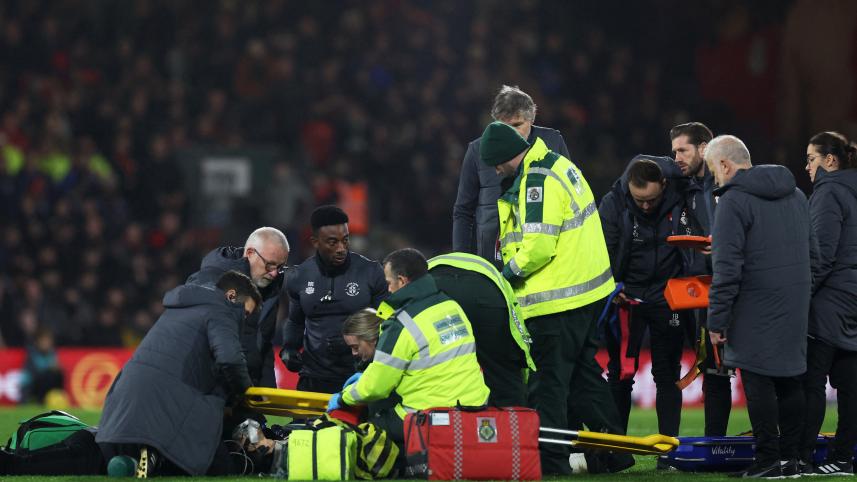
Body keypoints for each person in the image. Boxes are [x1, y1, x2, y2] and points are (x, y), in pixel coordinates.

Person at [479, 121, 632, 475]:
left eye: (495, 163)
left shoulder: (538, 181)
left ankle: (550, 461)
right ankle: (616, 453)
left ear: (504, 156)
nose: (495, 170)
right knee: (583, 378)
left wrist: (503, 276)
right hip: (584, 293)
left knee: (548, 383)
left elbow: (538, 248)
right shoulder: (558, 165)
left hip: (555, 299)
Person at [705, 135, 811, 479]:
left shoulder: (733, 202)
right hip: (796, 301)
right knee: (791, 379)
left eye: (713, 171)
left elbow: (727, 269)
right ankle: (792, 458)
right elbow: (815, 254)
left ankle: (767, 459)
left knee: (757, 379)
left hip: (753, 303)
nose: (714, 180)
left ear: (724, 164)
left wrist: (717, 320)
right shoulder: (796, 194)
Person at [96, 271, 262, 477]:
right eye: (244, 312)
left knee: (133, 464)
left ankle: (145, 458)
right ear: (230, 296)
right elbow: (230, 359)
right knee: (221, 469)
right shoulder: (221, 309)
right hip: (169, 401)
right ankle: (155, 454)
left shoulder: (179, 309)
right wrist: (244, 394)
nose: (243, 319)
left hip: (123, 402)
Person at [328, 248, 490, 447]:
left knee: (370, 424)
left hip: (431, 417)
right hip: (475, 409)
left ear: (402, 281)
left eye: (389, 283)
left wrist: (343, 399)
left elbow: (376, 388)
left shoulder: (401, 324)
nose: (387, 290)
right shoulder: (451, 306)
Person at [598, 158, 696, 440]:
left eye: (651, 200)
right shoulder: (613, 203)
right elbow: (602, 250)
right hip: (626, 299)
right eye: (639, 200)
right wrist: (612, 288)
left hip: (669, 299)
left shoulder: (681, 198)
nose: (645, 206)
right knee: (620, 373)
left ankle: (669, 448)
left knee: (668, 374)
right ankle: (618, 448)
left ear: (663, 186)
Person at [453, 85, 570, 268]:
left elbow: (568, 196)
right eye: (504, 126)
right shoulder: (477, 151)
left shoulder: (553, 142)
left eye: (517, 125)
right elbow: (463, 211)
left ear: (531, 120)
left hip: (544, 255)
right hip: (492, 256)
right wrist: (461, 264)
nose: (511, 133)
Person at [799, 131, 857, 476]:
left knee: (811, 381)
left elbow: (820, 254)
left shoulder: (829, 191)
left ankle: (802, 456)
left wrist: (800, 297)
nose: (806, 167)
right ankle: (842, 457)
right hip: (854, 299)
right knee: (851, 384)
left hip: (829, 299)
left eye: (810, 158)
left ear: (829, 160)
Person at [670, 121, 733, 437]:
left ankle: (779, 449)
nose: (676, 158)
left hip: (730, 288)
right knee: (714, 369)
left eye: (683, 150)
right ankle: (715, 443)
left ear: (704, 148)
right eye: (674, 151)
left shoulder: (723, 185)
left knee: (745, 369)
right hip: (702, 292)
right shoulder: (688, 188)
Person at [281, 205, 388, 393]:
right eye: (332, 242)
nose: (341, 248)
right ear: (315, 241)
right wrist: (289, 348)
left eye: (345, 240)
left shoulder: (371, 272)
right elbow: (295, 321)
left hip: (359, 377)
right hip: (313, 378)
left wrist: (354, 340)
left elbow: (387, 323)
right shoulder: (299, 276)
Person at [185, 227, 289, 387]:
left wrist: (268, 393)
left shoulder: (271, 285)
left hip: (248, 388)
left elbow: (264, 345)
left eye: (280, 267)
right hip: (214, 387)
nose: (274, 273)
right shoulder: (211, 281)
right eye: (270, 265)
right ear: (250, 253)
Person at [427, 252, 535, 407]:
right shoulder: (494, 273)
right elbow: (515, 332)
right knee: (501, 372)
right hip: (487, 289)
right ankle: (515, 423)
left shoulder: (416, 278)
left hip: (439, 288)